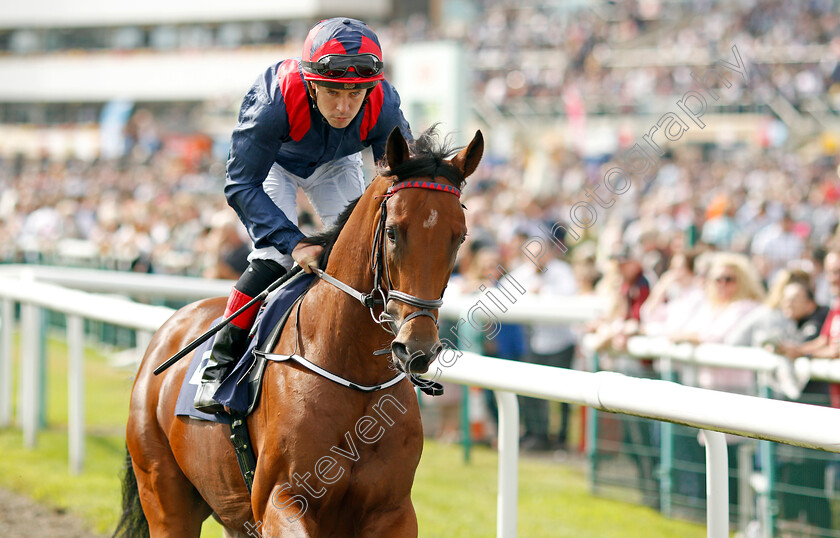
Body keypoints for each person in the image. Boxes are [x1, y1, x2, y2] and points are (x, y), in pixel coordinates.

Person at [195, 17, 412, 413]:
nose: (345, 107)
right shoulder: (272, 102)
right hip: (273, 166)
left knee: (365, 249)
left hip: (336, 163)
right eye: (332, 93)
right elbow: (241, 186)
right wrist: (294, 243)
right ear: (312, 83)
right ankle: (219, 363)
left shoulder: (385, 104)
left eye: (356, 94)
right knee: (275, 256)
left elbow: (403, 178)